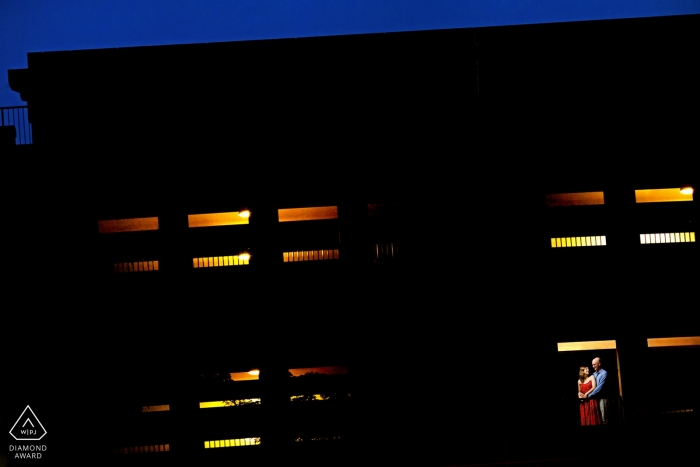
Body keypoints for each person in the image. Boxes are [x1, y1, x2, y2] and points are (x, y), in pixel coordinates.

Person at [583, 357, 609, 424]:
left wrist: (588, 395)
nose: (593, 366)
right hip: (595, 399)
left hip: (603, 398)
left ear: (599, 364)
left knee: (604, 419)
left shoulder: (604, 373)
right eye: (592, 365)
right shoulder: (594, 374)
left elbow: (599, 388)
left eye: (594, 364)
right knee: (598, 419)